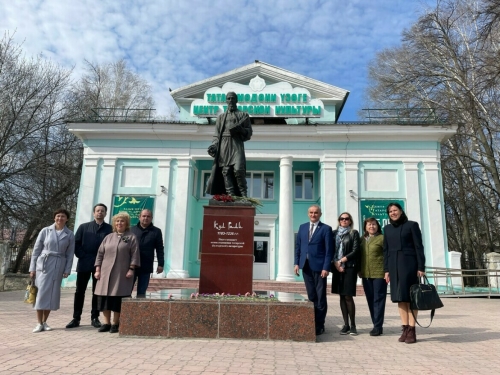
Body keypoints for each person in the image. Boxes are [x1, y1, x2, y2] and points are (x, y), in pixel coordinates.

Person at [383, 202, 425, 344]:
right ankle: (405, 328)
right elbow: (386, 251)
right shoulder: (387, 229)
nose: (393, 213)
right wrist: (386, 270)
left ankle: (412, 330)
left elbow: (419, 247)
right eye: (390, 212)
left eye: (395, 210)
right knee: (399, 298)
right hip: (393, 266)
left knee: (410, 297)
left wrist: (421, 267)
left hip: (409, 265)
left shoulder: (412, 225)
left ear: (401, 211)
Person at [66, 203, 113, 329]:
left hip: (102, 266)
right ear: (94, 213)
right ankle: (76, 318)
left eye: (102, 211)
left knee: (97, 293)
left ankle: (95, 317)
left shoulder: (109, 229)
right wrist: (83, 256)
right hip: (84, 263)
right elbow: (76, 244)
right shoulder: (84, 227)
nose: (100, 213)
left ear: (105, 213)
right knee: (79, 291)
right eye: (98, 211)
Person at [29, 209, 75, 333]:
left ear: (67, 219)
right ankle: (38, 323)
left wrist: (67, 270)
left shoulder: (69, 234)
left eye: (63, 216)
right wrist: (32, 268)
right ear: (54, 218)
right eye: (58, 216)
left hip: (59, 265)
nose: (60, 218)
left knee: (52, 294)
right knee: (41, 292)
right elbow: (36, 251)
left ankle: (45, 322)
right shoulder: (45, 231)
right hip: (44, 265)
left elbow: (70, 254)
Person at [94, 212, 140, 333]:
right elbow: (100, 254)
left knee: (117, 299)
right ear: (115, 223)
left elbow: (135, 255)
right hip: (105, 273)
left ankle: (115, 323)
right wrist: (97, 269)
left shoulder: (131, 237)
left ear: (126, 223)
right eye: (117, 221)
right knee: (105, 298)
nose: (119, 223)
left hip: (122, 273)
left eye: (122, 221)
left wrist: (131, 269)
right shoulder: (108, 237)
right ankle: (106, 323)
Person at [294, 205, 333, 336]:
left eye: (316, 213)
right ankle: (312, 321)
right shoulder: (302, 227)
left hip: (320, 268)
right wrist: (296, 263)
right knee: (311, 296)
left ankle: (320, 325)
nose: (313, 214)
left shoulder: (326, 229)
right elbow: (298, 247)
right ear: (308, 213)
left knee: (320, 297)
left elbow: (329, 251)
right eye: (311, 212)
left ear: (320, 214)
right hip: (305, 266)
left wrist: (326, 267)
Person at [205, 91, 253, 197]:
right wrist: (214, 145)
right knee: (226, 171)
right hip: (224, 144)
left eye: (233, 98)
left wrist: (240, 129)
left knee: (239, 170)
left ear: (236, 100)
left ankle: (244, 196)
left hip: (237, 144)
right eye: (229, 98)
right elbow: (217, 135)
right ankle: (230, 196)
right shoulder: (221, 117)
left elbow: (249, 133)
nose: (231, 100)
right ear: (226, 101)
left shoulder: (243, 115)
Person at [331, 212, 360, 335]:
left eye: (346, 219)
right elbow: (330, 249)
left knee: (348, 296)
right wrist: (336, 264)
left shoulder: (354, 233)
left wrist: (342, 261)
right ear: (339, 220)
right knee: (341, 296)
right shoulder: (334, 234)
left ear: (350, 221)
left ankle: (353, 325)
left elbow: (356, 250)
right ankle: (346, 325)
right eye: (341, 219)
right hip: (337, 268)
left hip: (349, 267)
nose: (344, 220)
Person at [359, 217, 386, 336]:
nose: (371, 227)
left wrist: (387, 271)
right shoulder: (362, 239)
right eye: (369, 225)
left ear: (377, 226)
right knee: (370, 299)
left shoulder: (382, 238)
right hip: (366, 274)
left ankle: (378, 326)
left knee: (378, 300)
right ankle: (375, 323)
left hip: (380, 274)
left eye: (374, 224)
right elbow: (359, 255)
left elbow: (387, 255)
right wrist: (359, 269)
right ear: (365, 227)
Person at [130, 209, 164, 297]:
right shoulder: (131, 230)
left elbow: (160, 248)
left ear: (152, 218)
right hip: (131, 265)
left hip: (146, 265)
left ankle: (139, 309)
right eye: (144, 216)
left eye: (148, 216)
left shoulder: (156, 231)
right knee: (127, 291)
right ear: (139, 217)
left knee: (141, 293)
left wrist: (161, 264)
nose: (146, 218)